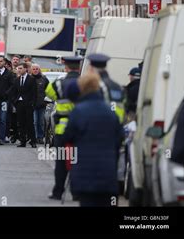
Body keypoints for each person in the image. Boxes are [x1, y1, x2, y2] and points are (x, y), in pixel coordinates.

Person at [62, 72, 124, 207]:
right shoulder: (110, 112)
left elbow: (67, 137)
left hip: (85, 173)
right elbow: (119, 139)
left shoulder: (78, 111)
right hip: (108, 173)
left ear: (81, 88)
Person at [45, 56, 82, 200]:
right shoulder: (86, 83)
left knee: (61, 162)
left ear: (66, 68)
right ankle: (77, 193)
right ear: (79, 68)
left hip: (62, 129)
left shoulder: (59, 83)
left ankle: (58, 192)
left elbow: (49, 92)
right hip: (81, 130)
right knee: (77, 161)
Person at [86, 54, 126, 124]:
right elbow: (114, 106)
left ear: (91, 68)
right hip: (115, 127)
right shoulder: (117, 86)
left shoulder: (96, 85)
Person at [9, 63, 37, 148]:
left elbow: (34, 93)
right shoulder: (17, 80)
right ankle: (22, 141)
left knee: (30, 123)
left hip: (28, 104)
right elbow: (13, 92)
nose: (19, 70)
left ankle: (33, 141)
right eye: (18, 68)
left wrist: (32, 103)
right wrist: (15, 101)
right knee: (21, 123)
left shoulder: (31, 79)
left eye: (21, 68)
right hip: (19, 103)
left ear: (25, 69)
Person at [31, 63, 49, 144]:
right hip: (32, 105)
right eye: (34, 69)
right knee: (34, 122)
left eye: (36, 69)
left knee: (41, 122)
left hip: (42, 104)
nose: (35, 70)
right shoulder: (29, 78)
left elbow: (48, 91)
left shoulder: (44, 79)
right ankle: (34, 137)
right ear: (31, 70)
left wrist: (46, 100)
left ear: (39, 69)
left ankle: (40, 137)